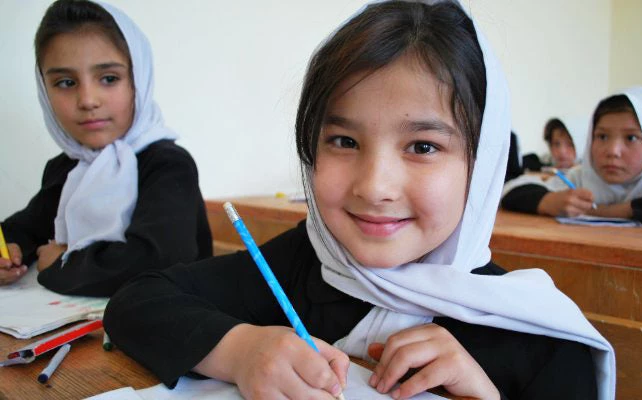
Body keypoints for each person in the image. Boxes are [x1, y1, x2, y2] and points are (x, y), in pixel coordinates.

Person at [105, 1, 614, 399]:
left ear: (480, 168)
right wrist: (240, 351)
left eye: (423, 146)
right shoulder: (307, 262)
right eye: (344, 142)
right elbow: (137, 301)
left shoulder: (546, 341)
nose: (374, 186)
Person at [0, 0, 212, 295]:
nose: (87, 100)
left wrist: (63, 263)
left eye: (109, 79)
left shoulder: (167, 165)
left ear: (138, 80)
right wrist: (9, 250)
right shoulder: (68, 168)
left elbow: (159, 259)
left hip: (162, 329)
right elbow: (27, 227)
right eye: (65, 82)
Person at [502, 87, 642, 231]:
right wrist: (548, 200)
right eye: (602, 136)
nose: (612, 151)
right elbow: (513, 190)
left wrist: (618, 211)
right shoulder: (582, 178)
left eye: (631, 138)